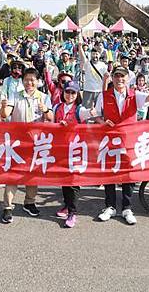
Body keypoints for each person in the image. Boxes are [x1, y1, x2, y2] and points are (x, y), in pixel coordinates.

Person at [94, 64, 149, 224]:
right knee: (110, 173)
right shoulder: (104, 95)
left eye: (122, 76)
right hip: (110, 140)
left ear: (127, 79)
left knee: (128, 173)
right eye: (117, 76)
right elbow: (97, 116)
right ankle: (110, 207)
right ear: (112, 78)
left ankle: (127, 207)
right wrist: (103, 121)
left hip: (129, 141)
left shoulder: (135, 95)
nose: (119, 79)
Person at [0, 67, 53, 224]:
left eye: (32, 80)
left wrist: (46, 110)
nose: (29, 82)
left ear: (38, 81)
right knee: (13, 175)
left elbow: (51, 117)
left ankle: (29, 202)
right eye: (26, 80)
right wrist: (3, 107)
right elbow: (5, 114)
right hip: (17, 142)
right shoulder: (15, 95)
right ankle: (7, 207)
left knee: (32, 174)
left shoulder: (43, 97)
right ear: (22, 81)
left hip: (36, 143)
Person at [53, 80, 94, 228]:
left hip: (76, 151)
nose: (69, 95)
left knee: (73, 182)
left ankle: (72, 212)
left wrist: (92, 112)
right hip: (61, 149)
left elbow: (89, 114)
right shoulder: (57, 107)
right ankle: (67, 205)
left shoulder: (79, 109)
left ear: (77, 95)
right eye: (67, 92)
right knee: (64, 180)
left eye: (73, 93)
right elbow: (50, 124)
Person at [78, 37, 108, 109]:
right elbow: (82, 57)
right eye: (93, 54)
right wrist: (80, 46)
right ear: (90, 55)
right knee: (86, 109)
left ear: (99, 55)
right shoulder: (87, 63)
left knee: (99, 110)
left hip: (99, 90)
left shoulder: (103, 65)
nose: (95, 56)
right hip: (88, 89)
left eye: (97, 54)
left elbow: (106, 78)